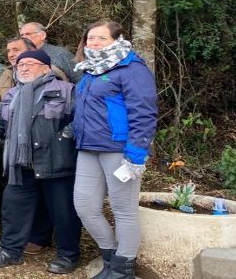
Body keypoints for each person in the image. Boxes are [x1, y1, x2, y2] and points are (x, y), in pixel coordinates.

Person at [0, 50, 82, 274]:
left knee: (63, 212)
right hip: (20, 163)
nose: (24, 68)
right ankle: (10, 251)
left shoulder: (66, 91)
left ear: (47, 68)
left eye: (30, 63)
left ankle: (68, 255)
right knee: (13, 208)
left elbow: (81, 119)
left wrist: (64, 135)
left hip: (56, 162)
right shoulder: (12, 95)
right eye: (20, 65)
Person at [71, 21, 157, 279]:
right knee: (85, 206)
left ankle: (123, 268)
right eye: (90, 39)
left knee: (123, 208)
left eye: (101, 39)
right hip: (88, 147)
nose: (94, 43)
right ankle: (110, 257)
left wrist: (137, 153)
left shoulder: (131, 69)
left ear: (117, 40)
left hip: (119, 149)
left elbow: (144, 112)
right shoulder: (90, 70)